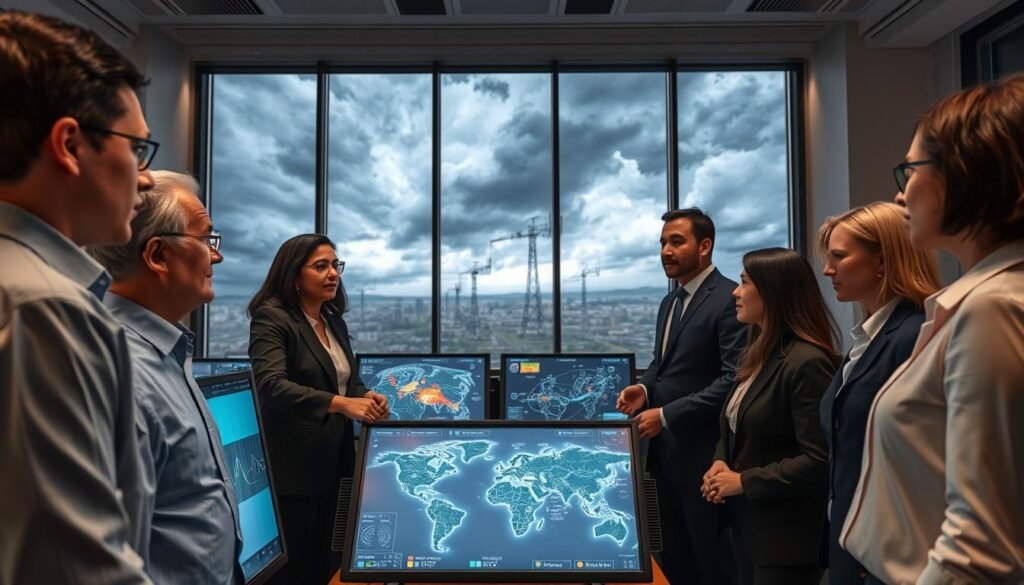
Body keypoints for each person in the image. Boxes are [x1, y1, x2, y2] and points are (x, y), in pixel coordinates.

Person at [840, 73, 1024, 584]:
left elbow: (978, 548)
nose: (899, 196)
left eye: (911, 171)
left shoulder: (993, 308)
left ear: (965, 175)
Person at [0, 11, 157, 584]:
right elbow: (76, 570)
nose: (146, 177)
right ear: (69, 144)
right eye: (136, 149)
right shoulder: (46, 309)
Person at [87, 171, 243, 584]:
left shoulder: (166, 352)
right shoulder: (121, 371)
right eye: (206, 240)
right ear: (158, 255)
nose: (216, 257)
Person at [248, 234, 389, 585]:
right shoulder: (273, 318)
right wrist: (341, 404)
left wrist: (367, 396)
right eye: (321, 266)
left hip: (337, 462)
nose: (333, 273)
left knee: (329, 562)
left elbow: (346, 381)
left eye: (335, 265)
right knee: (296, 569)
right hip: (294, 468)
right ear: (294, 274)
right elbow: (271, 385)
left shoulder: (333, 319)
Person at [616, 208, 745, 585]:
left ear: (704, 246)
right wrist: (644, 389)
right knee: (674, 563)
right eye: (662, 243)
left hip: (705, 461)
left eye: (676, 241)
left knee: (712, 566)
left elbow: (732, 380)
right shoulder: (670, 302)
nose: (665, 251)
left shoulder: (728, 299)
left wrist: (665, 415)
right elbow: (662, 364)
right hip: (665, 460)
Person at [815, 202, 940, 585]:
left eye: (839, 257)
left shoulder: (914, 336)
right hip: (853, 542)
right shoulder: (867, 339)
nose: (828, 269)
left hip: (888, 553)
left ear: (882, 261)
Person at [701, 247, 839, 585]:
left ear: (774, 291)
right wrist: (720, 462)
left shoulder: (806, 363)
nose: (735, 292)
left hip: (785, 542)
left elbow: (819, 461)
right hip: (748, 531)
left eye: (745, 282)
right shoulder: (758, 352)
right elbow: (735, 424)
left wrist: (743, 481)